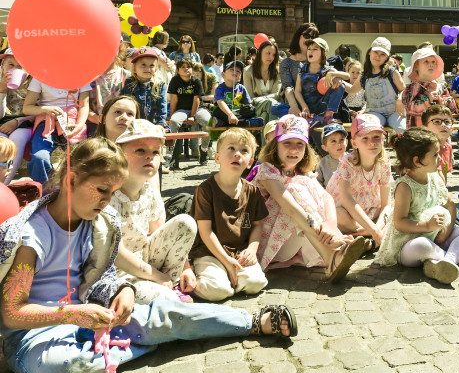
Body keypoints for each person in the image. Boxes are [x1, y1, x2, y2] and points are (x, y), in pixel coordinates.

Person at [0, 138, 296, 373]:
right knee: (65, 368)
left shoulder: (97, 223)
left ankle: (251, 321)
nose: (106, 200)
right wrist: (71, 315)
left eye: (112, 193)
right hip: (35, 340)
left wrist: (124, 290)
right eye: (101, 190)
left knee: (165, 314)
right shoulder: (31, 235)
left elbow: (100, 274)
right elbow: (12, 314)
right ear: (72, 179)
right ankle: (147, 342)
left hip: (91, 320)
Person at [252, 114, 369, 282]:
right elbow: (291, 209)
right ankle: (331, 257)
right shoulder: (267, 171)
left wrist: (330, 225)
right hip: (271, 244)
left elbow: (327, 197)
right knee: (293, 187)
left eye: (299, 144)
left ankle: (333, 251)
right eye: (287, 143)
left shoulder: (303, 172)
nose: (294, 149)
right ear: (275, 146)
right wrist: (329, 237)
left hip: (299, 239)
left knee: (304, 183)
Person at [374, 128, 459, 283]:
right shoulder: (405, 186)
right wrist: (427, 226)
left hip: (435, 237)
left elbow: (450, 206)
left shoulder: (435, 178)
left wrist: (446, 232)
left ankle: (446, 262)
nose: (441, 159)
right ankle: (454, 258)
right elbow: (400, 222)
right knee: (422, 245)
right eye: (435, 155)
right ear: (417, 161)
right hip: (409, 244)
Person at [111, 120, 198, 303]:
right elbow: (115, 253)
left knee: (185, 222)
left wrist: (185, 268)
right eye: (140, 151)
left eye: (155, 152)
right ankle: (163, 289)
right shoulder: (110, 197)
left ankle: (171, 283)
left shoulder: (148, 192)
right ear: (120, 156)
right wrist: (155, 275)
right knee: (166, 300)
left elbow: (159, 231)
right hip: (119, 274)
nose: (149, 157)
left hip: (145, 261)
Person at [188, 128, 268, 301]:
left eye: (244, 150)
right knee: (218, 291)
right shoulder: (205, 190)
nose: (237, 154)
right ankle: (198, 277)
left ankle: (228, 277)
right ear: (217, 158)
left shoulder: (252, 192)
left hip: (238, 252)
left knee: (256, 283)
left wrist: (252, 249)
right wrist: (225, 260)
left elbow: (258, 224)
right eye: (231, 148)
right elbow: (205, 231)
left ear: (250, 162)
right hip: (209, 252)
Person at [327, 114, 392, 247]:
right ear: (355, 143)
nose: (372, 142)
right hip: (348, 213)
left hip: (371, 210)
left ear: (383, 139)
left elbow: (386, 204)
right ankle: (369, 237)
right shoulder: (347, 163)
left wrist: (377, 228)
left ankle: (367, 240)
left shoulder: (384, 164)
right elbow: (346, 200)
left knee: (393, 211)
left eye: (376, 137)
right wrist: (372, 229)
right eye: (365, 138)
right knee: (338, 214)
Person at [22, 76, 91, 185]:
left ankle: (72, 188)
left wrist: (79, 125)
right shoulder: (39, 77)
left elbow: (84, 105)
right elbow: (26, 108)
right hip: (46, 121)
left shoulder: (80, 76)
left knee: (78, 158)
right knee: (39, 157)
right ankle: (43, 188)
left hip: (71, 121)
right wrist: (45, 109)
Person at [351, 37, 406, 132]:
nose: (378, 56)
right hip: (374, 113)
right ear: (369, 52)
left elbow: (404, 89)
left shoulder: (392, 72)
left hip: (394, 112)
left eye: (382, 54)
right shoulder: (364, 75)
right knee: (369, 129)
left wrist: (400, 100)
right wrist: (339, 79)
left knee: (403, 129)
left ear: (387, 57)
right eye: (375, 52)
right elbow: (352, 90)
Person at [293, 37, 349, 126]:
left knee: (341, 86)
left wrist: (334, 75)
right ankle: (313, 118)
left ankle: (328, 116)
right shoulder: (302, 70)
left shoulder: (328, 70)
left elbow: (347, 76)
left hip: (322, 107)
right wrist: (304, 107)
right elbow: (297, 91)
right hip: (306, 108)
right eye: (309, 49)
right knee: (276, 108)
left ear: (324, 53)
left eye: (315, 49)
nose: (310, 51)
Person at [167, 59, 210, 167]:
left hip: (198, 109)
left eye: (188, 67)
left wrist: (192, 116)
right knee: (173, 122)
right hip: (181, 109)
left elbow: (197, 100)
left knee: (208, 121)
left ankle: (204, 148)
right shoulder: (175, 81)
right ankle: (169, 154)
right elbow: (174, 99)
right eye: (183, 67)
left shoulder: (196, 81)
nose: (186, 69)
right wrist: (171, 115)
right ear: (178, 70)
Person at [0, 49, 34, 184]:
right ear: (3, 66)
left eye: (20, 66)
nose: (15, 69)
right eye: (11, 65)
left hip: (27, 122)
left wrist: (17, 121)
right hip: (3, 121)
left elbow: (37, 112)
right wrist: (2, 89)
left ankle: (5, 184)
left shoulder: (34, 84)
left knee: (17, 139)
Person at [401, 48, 457, 128]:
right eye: (426, 61)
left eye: (433, 62)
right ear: (416, 66)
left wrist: (440, 100)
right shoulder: (410, 89)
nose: (431, 64)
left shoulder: (440, 87)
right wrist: (428, 101)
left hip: (438, 132)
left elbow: (452, 107)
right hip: (418, 132)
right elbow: (410, 108)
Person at [89, 44, 131, 135]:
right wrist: (100, 120)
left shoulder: (127, 76)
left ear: (119, 50)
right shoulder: (89, 76)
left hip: (120, 127)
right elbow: (84, 104)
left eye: (111, 49)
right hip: (94, 126)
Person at [121, 48, 168, 128]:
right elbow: (127, 104)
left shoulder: (160, 84)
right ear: (134, 68)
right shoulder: (130, 83)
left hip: (154, 123)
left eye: (151, 65)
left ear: (156, 69)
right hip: (135, 123)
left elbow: (162, 106)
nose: (147, 68)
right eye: (143, 65)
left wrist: (160, 123)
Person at [279, 24, 318, 115]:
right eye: (306, 35)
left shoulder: (319, 61)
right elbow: (288, 87)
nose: (309, 40)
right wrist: (294, 106)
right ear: (298, 37)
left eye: (313, 37)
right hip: (296, 108)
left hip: (317, 106)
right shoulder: (286, 63)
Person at [213, 60, 264, 128]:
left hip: (238, 112)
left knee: (251, 109)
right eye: (232, 69)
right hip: (225, 112)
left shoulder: (241, 88)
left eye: (238, 71)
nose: (235, 72)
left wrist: (248, 108)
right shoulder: (220, 88)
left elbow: (248, 103)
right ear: (223, 74)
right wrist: (230, 114)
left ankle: (222, 122)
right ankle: (247, 123)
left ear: (240, 78)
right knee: (217, 111)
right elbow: (220, 102)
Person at [243, 39, 282, 125]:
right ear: (260, 52)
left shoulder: (278, 71)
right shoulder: (248, 71)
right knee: (270, 103)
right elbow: (250, 97)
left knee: (265, 115)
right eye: (268, 53)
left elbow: (276, 94)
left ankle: (269, 133)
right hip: (256, 107)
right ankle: (275, 133)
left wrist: (258, 99)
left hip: (273, 105)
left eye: (273, 55)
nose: (271, 57)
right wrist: (260, 100)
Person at [422, 105, 455, 182]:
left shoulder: (448, 147)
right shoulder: (426, 149)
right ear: (425, 127)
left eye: (447, 122)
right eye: (437, 121)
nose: (443, 124)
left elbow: (444, 174)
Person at [316, 122, 348, 187]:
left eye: (341, 140)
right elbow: (317, 183)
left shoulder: (353, 160)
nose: (338, 144)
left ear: (346, 142)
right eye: (333, 141)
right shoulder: (322, 163)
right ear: (325, 147)